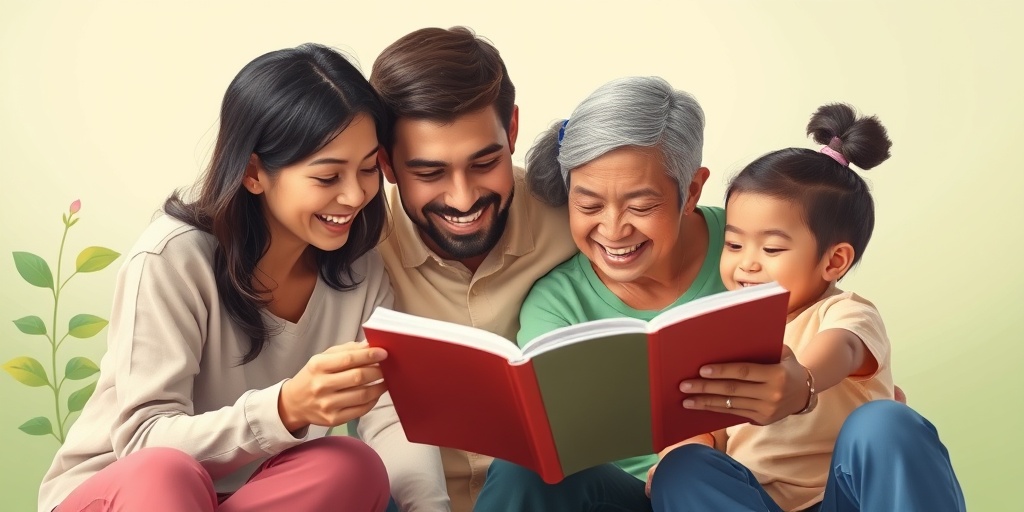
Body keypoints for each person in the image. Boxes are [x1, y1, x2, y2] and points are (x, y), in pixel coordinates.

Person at [38, 43, 394, 512]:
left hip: (249, 496)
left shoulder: (362, 275)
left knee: (351, 464)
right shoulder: (171, 258)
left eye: (368, 169)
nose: (354, 195)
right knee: (167, 472)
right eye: (328, 177)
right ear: (253, 173)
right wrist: (285, 408)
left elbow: (391, 415)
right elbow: (144, 441)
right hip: (129, 491)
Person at [648, 103, 966, 511]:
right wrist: (678, 453)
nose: (747, 262)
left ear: (834, 261)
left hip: (843, 499)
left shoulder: (845, 312)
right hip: (755, 501)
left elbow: (843, 348)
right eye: (733, 244)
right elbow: (707, 429)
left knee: (886, 424)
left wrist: (804, 381)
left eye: (773, 247)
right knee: (684, 467)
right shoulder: (723, 332)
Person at [473, 76, 723, 511]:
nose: (612, 230)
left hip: (735, 488)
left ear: (691, 192)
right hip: (622, 498)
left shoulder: (750, 251)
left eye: (641, 207)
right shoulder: (556, 303)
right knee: (523, 465)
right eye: (587, 206)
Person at [354, 27, 577, 512]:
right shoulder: (355, 249)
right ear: (386, 164)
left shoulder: (576, 221)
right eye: (430, 173)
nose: (463, 198)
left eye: (484, 162)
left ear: (512, 131)